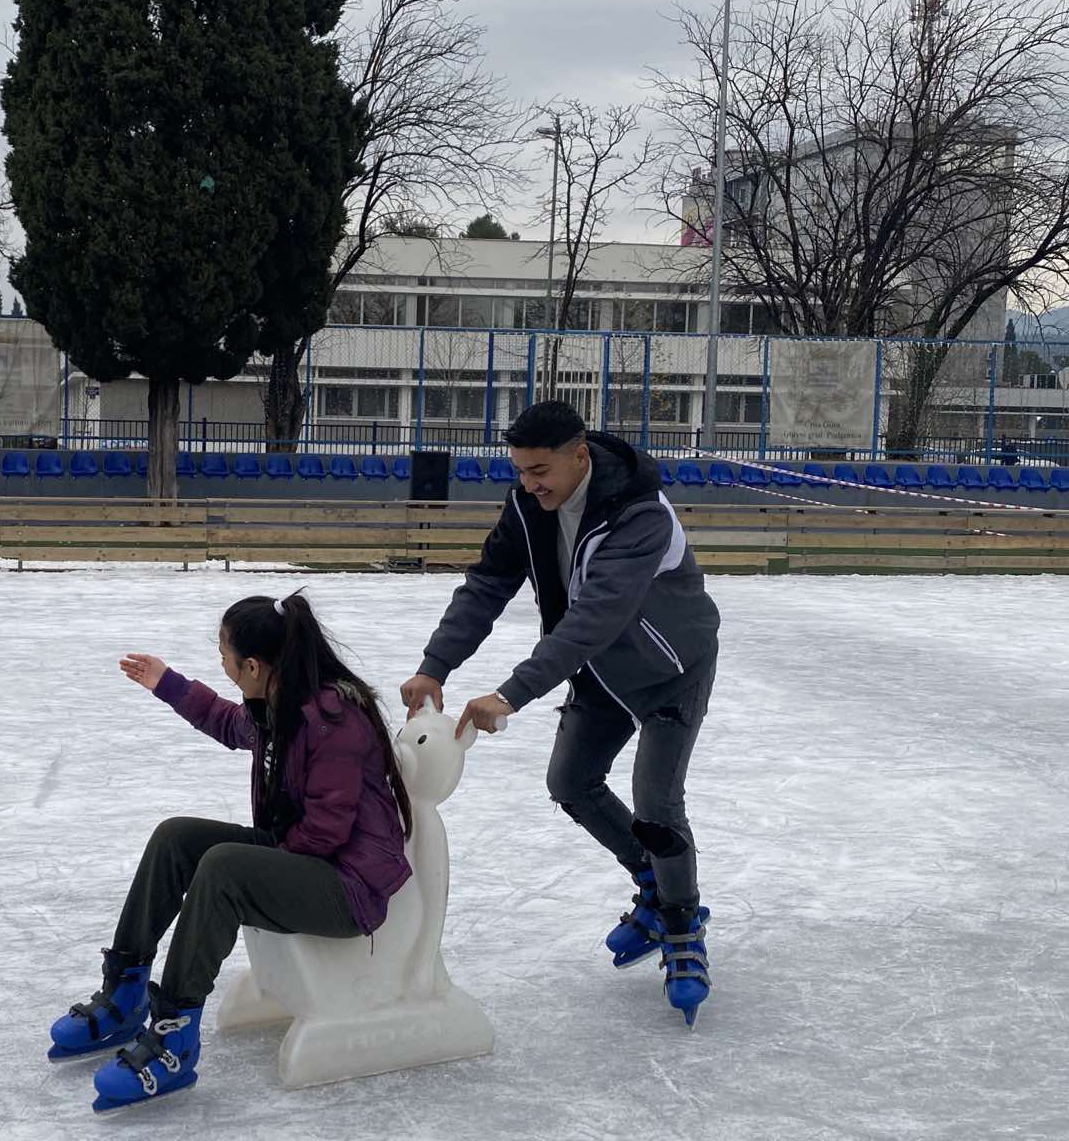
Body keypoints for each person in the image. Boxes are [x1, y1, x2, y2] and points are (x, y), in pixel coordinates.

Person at [399, 400, 722, 1026]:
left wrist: (512, 693)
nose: (529, 483)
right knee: (569, 783)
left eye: (539, 470)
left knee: (656, 804)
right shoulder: (528, 506)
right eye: (520, 471)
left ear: (580, 456)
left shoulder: (640, 514)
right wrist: (435, 665)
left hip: (669, 672)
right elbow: (489, 582)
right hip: (599, 672)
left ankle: (683, 926)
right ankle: (657, 888)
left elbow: (596, 617)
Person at [49, 592, 413, 1112]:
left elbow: (327, 834)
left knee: (224, 867)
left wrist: (259, 865)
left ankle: (175, 1035)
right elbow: (230, 725)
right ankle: (125, 990)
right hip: (305, 856)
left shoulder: (333, 722)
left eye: (224, 654)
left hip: (346, 887)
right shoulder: (280, 702)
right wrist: (168, 683)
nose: (221, 663)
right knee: (177, 836)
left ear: (254, 665)